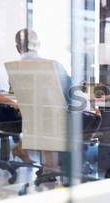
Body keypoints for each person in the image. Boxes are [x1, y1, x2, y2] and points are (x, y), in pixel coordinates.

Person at [14, 28, 103, 170]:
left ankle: (52, 166)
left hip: (38, 122)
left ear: (17, 48)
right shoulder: (53, 65)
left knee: (50, 121)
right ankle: (74, 162)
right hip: (60, 122)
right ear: (38, 44)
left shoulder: (15, 69)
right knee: (94, 116)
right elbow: (74, 93)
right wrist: (92, 107)